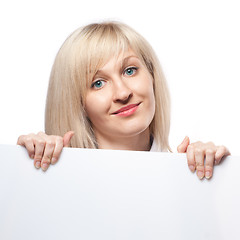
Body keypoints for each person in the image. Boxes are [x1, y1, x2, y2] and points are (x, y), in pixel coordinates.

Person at [17, 21, 230, 179]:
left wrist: (216, 181)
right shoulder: (50, 177)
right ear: (76, 103)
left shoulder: (191, 173)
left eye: (130, 70)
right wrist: (26, 168)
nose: (122, 93)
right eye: (97, 83)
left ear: (152, 76)